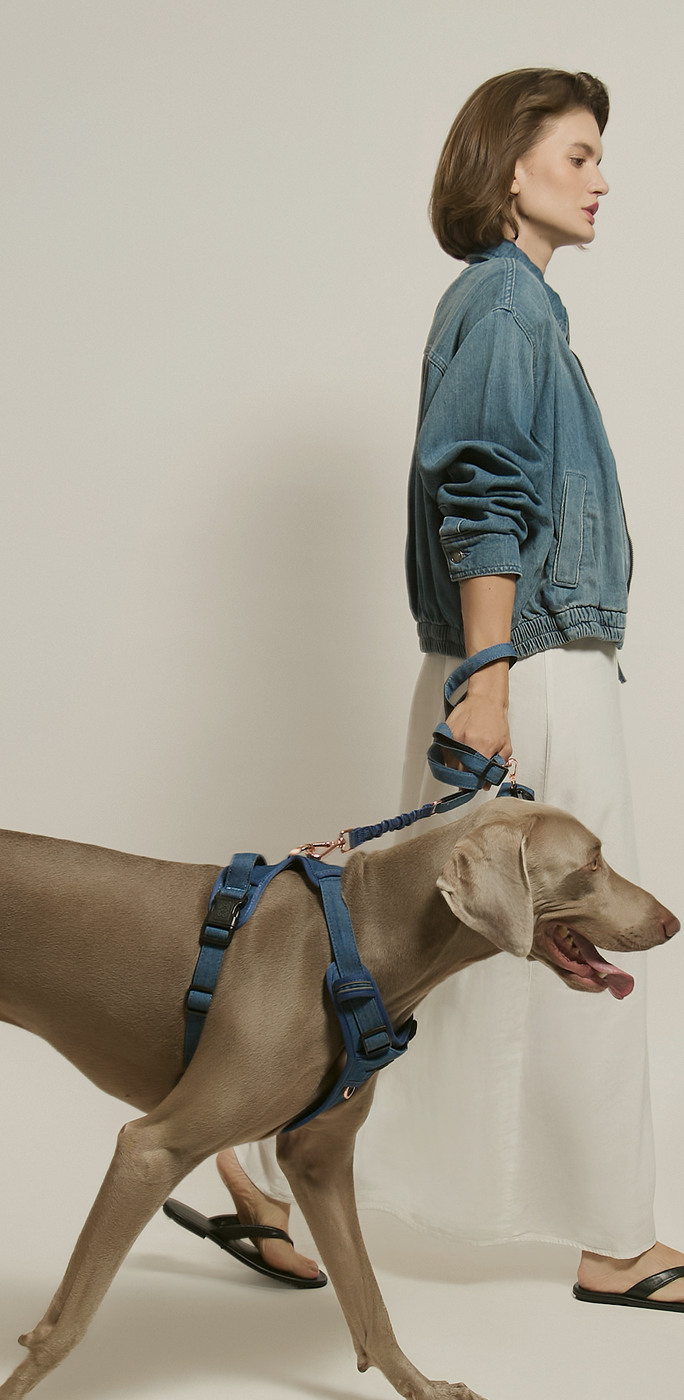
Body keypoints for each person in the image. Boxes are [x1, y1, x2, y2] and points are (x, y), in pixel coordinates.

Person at [177, 68, 684, 1309]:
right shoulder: (505, 305)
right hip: (529, 667)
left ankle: (267, 1162)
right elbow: (482, 493)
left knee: (447, 950)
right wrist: (491, 676)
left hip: (533, 664)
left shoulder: (517, 306)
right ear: (510, 168)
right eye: (579, 154)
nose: (603, 178)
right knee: (553, 931)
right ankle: (611, 1240)